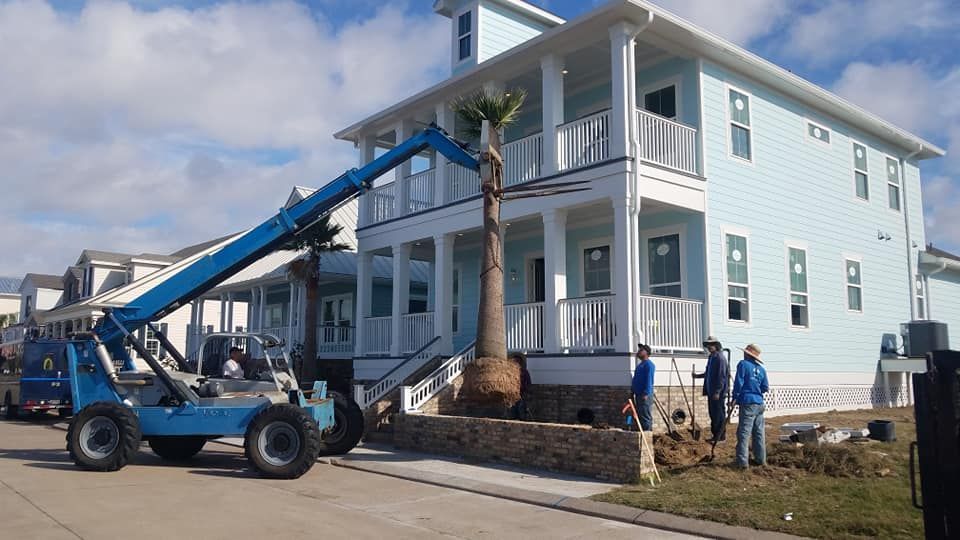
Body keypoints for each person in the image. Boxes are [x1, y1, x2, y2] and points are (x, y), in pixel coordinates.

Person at [732, 344, 769, 468]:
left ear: (747, 354)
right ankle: (761, 460)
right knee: (759, 433)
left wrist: (735, 397)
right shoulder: (761, 369)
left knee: (744, 433)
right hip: (759, 403)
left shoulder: (743, 364)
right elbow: (765, 387)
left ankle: (742, 463)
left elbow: (739, 382)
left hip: (747, 402)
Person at [693, 336, 730, 443]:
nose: (709, 347)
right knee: (713, 414)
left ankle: (720, 436)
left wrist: (718, 391)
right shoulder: (711, 357)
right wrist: (697, 376)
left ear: (716, 345)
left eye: (711, 345)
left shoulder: (720, 358)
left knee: (718, 414)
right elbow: (708, 373)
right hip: (710, 391)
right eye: (708, 345)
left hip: (717, 393)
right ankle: (715, 435)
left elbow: (721, 376)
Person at [631, 344, 655, 432]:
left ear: (646, 352)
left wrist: (646, 393)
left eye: (641, 350)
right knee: (640, 415)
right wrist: (632, 391)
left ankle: (647, 435)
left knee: (645, 416)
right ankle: (642, 435)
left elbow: (649, 380)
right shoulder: (640, 366)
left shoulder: (649, 365)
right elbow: (635, 379)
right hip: (638, 394)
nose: (638, 351)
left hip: (645, 395)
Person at [511, 353, 532, 420]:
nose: (516, 363)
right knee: (512, 410)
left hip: (522, 394)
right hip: (512, 394)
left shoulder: (524, 372)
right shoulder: (510, 373)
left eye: (517, 361)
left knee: (521, 409)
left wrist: (526, 391)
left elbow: (528, 383)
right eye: (514, 361)